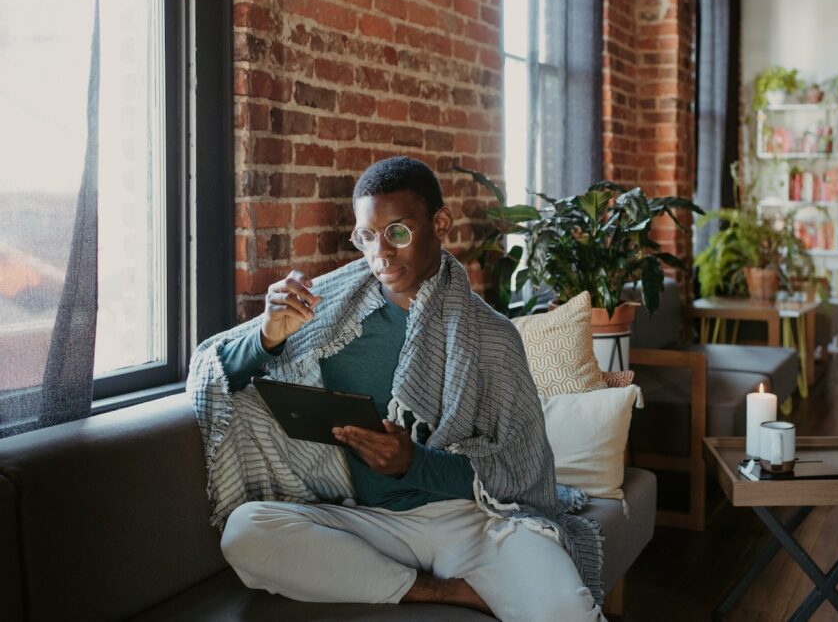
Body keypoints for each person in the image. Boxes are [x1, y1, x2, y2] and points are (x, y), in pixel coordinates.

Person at [187, 156, 604, 621]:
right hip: (364, 521)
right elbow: (215, 375)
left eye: (398, 233)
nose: (380, 254)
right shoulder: (328, 312)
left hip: (474, 520)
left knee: (569, 611)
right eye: (367, 236)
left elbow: (522, 471)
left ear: (439, 223)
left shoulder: (492, 336)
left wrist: (414, 463)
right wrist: (265, 337)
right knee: (246, 532)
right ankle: (446, 593)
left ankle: (412, 581)